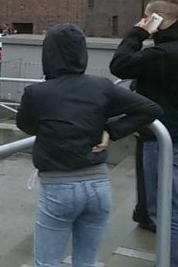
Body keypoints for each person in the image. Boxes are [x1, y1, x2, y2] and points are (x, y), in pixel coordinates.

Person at [18, 23, 161, 267]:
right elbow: (150, 109)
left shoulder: (36, 93)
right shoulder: (101, 86)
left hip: (59, 187)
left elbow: (27, 125)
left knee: (48, 263)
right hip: (98, 185)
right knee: (87, 262)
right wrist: (111, 130)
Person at [109, 0, 178, 256]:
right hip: (166, 136)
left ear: (157, 20)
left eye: (147, 17)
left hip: (165, 140)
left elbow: (120, 65)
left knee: (167, 212)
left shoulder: (163, 55)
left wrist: (137, 33)